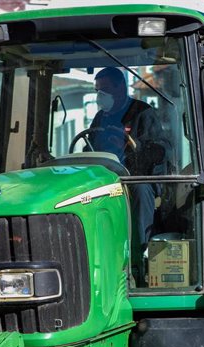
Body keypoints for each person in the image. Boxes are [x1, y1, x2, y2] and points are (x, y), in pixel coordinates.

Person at [87, 67, 171, 282]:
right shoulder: (100, 117)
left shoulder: (142, 113)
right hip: (106, 177)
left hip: (136, 176)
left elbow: (159, 149)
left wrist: (135, 146)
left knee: (141, 190)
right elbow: (90, 145)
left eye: (104, 90)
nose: (100, 96)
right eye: (98, 90)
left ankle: (138, 257)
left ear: (120, 88)